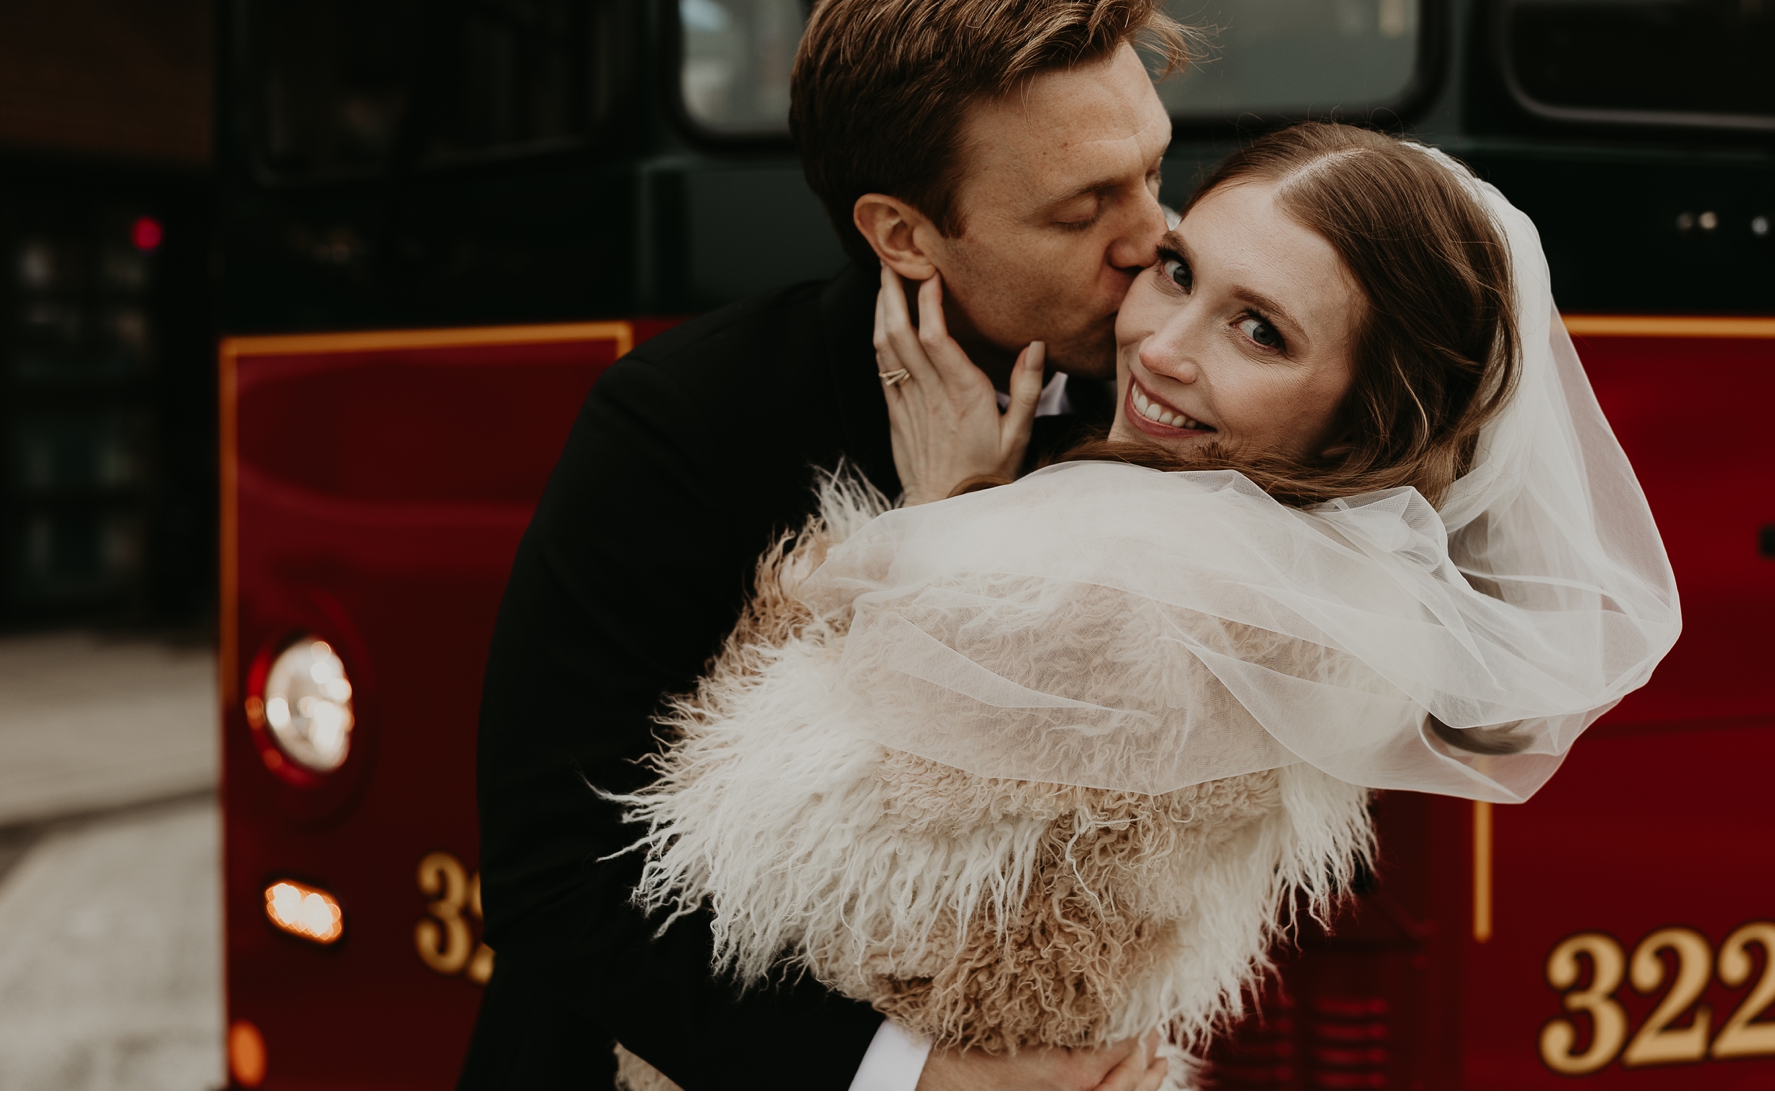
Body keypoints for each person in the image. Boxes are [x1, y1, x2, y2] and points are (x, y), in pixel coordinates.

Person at [617, 123, 1683, 1081]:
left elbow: (729, 852)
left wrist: (934, 522)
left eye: (1258, 332)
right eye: (1177, 270)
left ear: (1361, 421)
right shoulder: (1336, 588)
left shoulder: (1131, 585)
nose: (1162, 348)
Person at [461, 0, 1197, 1090]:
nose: (1156, 240)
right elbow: (558, 878)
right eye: (1080, 210)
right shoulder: (678, 425)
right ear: (901, 234)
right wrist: (913, 1073)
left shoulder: (1183, 402)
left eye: (1155, 171)